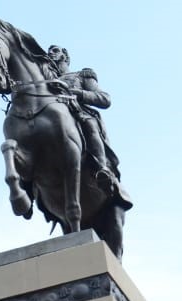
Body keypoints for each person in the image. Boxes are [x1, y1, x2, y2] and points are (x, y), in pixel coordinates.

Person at [46, 44, 133, 210]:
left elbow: (104, 99)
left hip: (80, 113)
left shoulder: (81, 75)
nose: (51, 53)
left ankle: (102, 168)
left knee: (89, 125)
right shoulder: (45, 81)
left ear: (65, 55)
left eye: (55, 50)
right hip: (53, 119)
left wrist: (78, 93)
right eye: (49, 51)